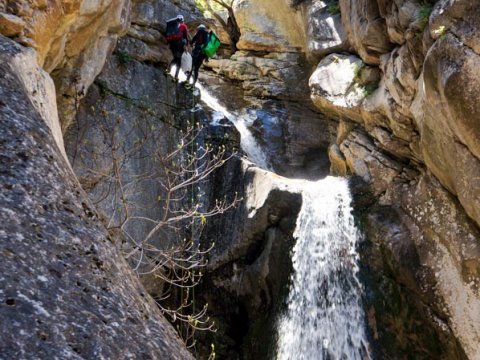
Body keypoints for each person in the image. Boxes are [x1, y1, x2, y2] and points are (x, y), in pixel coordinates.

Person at [166, 15, 190, 82]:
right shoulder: (183, 26)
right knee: (178, 60)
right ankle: (176, 76)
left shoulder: (172, 25)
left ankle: (168, 70)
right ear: (182, 20)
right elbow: (185, 36)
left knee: (175, 58)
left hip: (172, 44)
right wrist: (186, 45)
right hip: (180, 45)